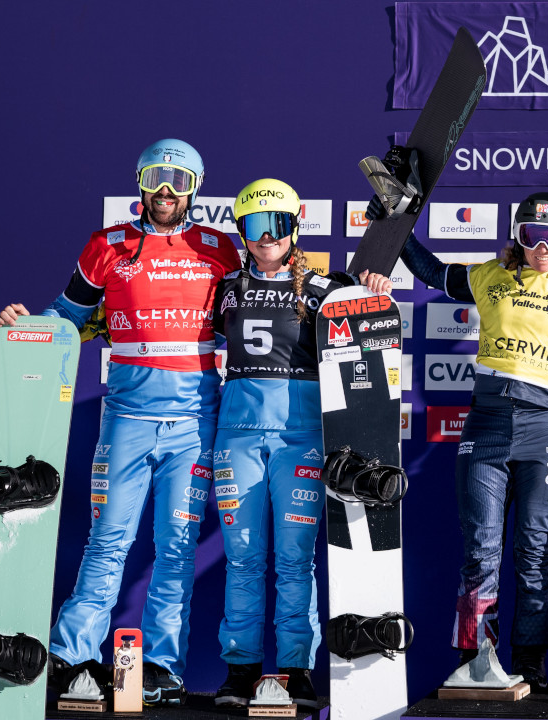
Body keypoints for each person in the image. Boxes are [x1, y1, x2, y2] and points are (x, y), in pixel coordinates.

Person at [0, 139, 242, 705]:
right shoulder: (107, 245)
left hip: (194, 424)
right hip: (126, 419)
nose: (167, 190)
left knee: (176, 548)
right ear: (140, 182)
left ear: (195, 187)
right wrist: (25, 322)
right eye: (156, 176)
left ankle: (160, 667)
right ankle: (71, 657)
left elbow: (255, 316)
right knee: (107, 543)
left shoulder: (219, 248)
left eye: (179, 178)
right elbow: (67, 317)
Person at [385, 191, 548, 690]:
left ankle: (530, 664)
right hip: (489, 420)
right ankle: (476, 659)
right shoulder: (493, 277)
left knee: (536, 550)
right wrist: (395, 219)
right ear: (518, 236)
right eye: (531, 235)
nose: (542, 247)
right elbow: (431, 271)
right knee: (482, 549)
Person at [210, 179, 391, 707]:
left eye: (276, 225)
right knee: (242, 557)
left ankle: (294, 671)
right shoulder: (224, 287)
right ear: (240, 231)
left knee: (294, 560)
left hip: (301, 440)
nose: (265, 237)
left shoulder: (324, 287)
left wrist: (370, 292)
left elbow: (371, 329)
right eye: (253, 227)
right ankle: (240, 671)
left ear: (295, 227)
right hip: (237, 440)